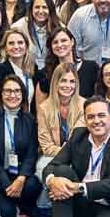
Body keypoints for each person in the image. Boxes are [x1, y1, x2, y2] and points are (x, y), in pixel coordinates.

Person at [0, 75, 43, 217]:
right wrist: (6, 184)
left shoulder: (29, 119)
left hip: (18, 174)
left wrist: (21, 179)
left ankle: (19, 202)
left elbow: (31, 154)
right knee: (7, 213)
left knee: (33, 185)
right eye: (8, 91)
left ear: (23, 95)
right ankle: (15, 204)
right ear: (1, 94)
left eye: (17, 91)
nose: (12, 95)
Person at [35, 64, 86, 206]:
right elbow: (46, 146)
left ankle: (50, 203)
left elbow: (78, 141)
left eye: (72, 81)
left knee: (66, 171)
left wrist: (68, 153)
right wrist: (64, 152)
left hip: (77, 156)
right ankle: (54, 201)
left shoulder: (84, 105)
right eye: (63, 81)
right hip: (51, 156)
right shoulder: (44, 108)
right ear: (55, 83)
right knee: (43, 168)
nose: (68, 85)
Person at [36, 28, 99, 101]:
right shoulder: (45, 74)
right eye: (55, 42)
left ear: (72, 42)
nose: (59, 45)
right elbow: (41, 108)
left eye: (63, 40)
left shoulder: (91, 68)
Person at [10, 0, 62, 69]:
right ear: (31, 9)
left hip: (52, 70)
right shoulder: (18, 27)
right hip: (25, 70)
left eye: (44, 7)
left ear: (50, 10)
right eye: (37, 7)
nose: (40, 11)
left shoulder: (59, 27)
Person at [0, 28, 37, 105]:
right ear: (5, 48)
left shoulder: (34, 68)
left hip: (28, 116)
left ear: (26, 46)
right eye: (11, 43)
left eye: (20, 42)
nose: (16, 46)